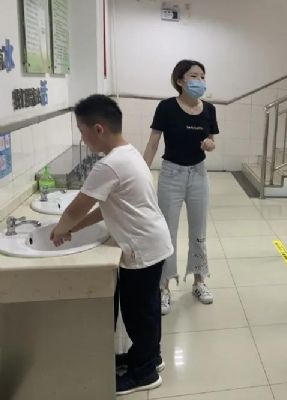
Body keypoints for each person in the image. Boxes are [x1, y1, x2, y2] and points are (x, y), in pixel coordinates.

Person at [50, 94, 173, 395]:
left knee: (138, 314)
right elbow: (104, 207)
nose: (82, 138)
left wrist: (59, 230)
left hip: (142, 248)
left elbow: (78, 207)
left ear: (98, 129)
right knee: (147, 309)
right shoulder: (127, 154)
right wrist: (73, 228)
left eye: (82, 131)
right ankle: (148, 357)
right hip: (151, 243)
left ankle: (144, 373)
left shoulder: (109, 165)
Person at [143, 59, 219, 315]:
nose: (200, 81)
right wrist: (141, 173)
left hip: (198, 174)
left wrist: (210, 145)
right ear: (180, 80)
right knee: (167, 233)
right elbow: (153, 143)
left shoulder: (209, 109)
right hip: (171, 175)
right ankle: (164, 288)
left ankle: (199, 281)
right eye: (194, 76)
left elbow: (211, 140)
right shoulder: (166, 107)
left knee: (199, 230)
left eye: (202, 76)